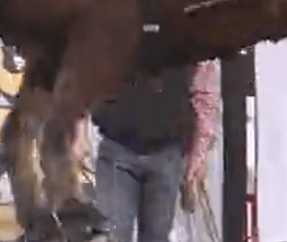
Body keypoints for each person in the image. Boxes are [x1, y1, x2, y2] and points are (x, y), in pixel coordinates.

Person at [73, 61, 221, 242]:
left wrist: (199, 153)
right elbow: (86, 71)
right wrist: (78, 128)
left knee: (157, 237)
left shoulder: (190, 36)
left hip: (167, 151)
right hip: (117, 146)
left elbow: (204, 91)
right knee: (111, 235)